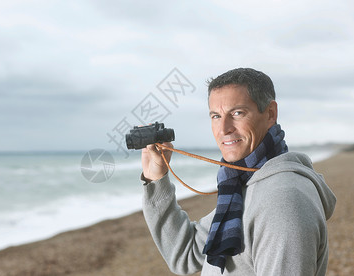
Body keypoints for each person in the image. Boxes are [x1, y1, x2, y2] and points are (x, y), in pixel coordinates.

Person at [140, 68, 336, 275]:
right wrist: (156, 177)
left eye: (237, 113)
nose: (224, 129)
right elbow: (185, 255)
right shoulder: (242, 184)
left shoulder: (282, 200)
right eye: (216, 116)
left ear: (270, 114)